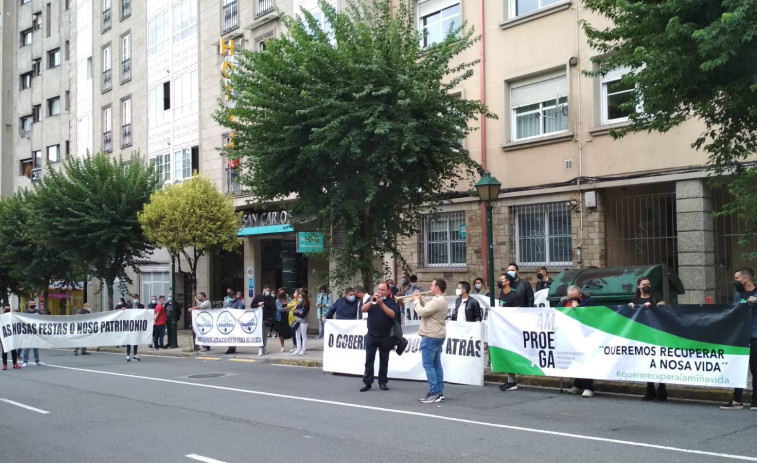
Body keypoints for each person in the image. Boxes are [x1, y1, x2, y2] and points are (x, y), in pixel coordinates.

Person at [721, 268, 757, 410]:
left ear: (745, 279)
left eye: (737, 278)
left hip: (754, 336)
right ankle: (737, 399)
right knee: (738, 368)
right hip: (740, 336)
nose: (735, 281)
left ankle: (755, 400)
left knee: (755, 369)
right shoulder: (738, 295)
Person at [628, 276, 667, 402]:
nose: (647, 286)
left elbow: (663, 305)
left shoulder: (656, 296)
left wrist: (653, 305)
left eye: (649, 284)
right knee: (646, 362)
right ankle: (650, 390)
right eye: (644, 284)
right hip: (643, 335)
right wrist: (632, 306)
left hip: (657, 333)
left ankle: (662, 390)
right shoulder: (636, 299)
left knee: (659, 362)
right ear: (639, 286)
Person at [360, 282, 399, 392]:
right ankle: (367, 382)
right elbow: (363, 309)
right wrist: (373, 302)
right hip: (371, 335)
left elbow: (392, 314)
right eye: (379, 289)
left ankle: (383, 382)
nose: (380, 292)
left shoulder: (391, 302)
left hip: (385, 336)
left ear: (387, 291)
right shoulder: (372, 299)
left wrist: (381, 304)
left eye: (382, 290)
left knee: (384, 360)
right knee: (369, 360)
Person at [413, 279, 448, 403]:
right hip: (437, 335)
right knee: (436, 364)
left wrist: (416, 301)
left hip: (431, 336)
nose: (430, 287)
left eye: (432, 285)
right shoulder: (440, 300)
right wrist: (420, 299)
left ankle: (434, 392)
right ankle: (439, 391)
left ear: (437, 287)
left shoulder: (438, 301)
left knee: (428, 365)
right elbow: (428, 309)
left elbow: (422, 312)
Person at [563, 285, 594, 397]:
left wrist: (579, 307)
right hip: (571, 335)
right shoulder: (563, 302)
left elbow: (591, 316)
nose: (572, 300)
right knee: (576, 360)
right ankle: (578, 384)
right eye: (570, 298)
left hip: (585, 335)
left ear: (580, 295)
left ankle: (588, 387)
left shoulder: (588, 301)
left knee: (586, 360)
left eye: (574, 297)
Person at [496, 273, 521, 391]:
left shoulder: (514, 295)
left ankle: (512, 381)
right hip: (503, 329)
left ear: (507, 282)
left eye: (502, 280)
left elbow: (516, 313)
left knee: (511, 354)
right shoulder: (502, 294)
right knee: (506, 354)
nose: (500, 282)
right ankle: (510, 380)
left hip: (511, 329)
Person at [250, 285, 276, 356]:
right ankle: (260, 348)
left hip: (268, 318)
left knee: (265, 334)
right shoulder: (258, 297)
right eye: (267, 290)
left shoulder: (271, 298)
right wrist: (258, 304)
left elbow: (273, 306)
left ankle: (264, 347)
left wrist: (265, 304)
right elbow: (252, 305)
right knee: (261, 334)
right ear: (263, 290)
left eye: (269, 291)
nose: (268, 292)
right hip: (259, 318)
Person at [119, 297, 142, 362]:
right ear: (133, 299)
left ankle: (135, 355)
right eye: (135, 298)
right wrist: (123, 309)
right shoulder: (129, 306)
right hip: (130, 326)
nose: (136, 300)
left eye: (137, 298)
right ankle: (128, 355)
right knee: (129, 341)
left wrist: (146, 310)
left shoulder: (141, 306)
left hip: (137, 326)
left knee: (135, 341)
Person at [22, 299, 41, 367]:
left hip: (35, 333)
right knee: (26, 348)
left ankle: (37, 361)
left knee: (36, 348)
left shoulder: (38, 311)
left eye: (34, 303)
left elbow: (42, 319)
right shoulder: (26, 312)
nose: (33, 304)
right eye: (31, 303)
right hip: (28, 333)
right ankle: (25, 361)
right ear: (29, 304)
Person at [292, 289, 310, 356]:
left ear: (303, 298)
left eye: (300, 297)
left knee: (303, 336)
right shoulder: (299, 305)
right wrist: (298, 312)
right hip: (298, 321)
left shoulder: (306, 306)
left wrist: (298, 313)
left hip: (304, 322)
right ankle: (298, 349)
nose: (299, 298)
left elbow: (303, 315)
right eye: (298, 297)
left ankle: (303, 349)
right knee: (297, 336)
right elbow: (294, 313)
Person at [2, 305, 20, 370]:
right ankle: (4, 364)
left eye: (8, 308)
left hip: (12, 336)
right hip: (4, 336)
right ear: (3, 309)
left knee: (13, 351)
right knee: (4, 351)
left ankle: (15, 364)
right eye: (6, 308)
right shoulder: (1, 318)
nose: (7, 310)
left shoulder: (12, 317)